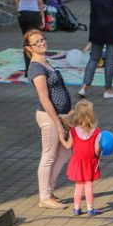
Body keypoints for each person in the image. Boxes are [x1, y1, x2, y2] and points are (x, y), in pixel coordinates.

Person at [25, 30, 72, 209]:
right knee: (49, 155)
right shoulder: (36, 67)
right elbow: (44, 99)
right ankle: (44, 197)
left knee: (64, 153)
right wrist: (58, 124)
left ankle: (49, 191)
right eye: (36, 43)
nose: (41, 44)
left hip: (60, 115)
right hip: (49, 117)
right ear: (29, 48)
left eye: (42, 40)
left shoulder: (45, 61)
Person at [59, 99, 103, 216]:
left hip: (77, 163)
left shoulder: (73, 131)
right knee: (88, 185)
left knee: (78, 186)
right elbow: (96, 150)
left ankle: (76, 208)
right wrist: (99, 156)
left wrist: (61, 138)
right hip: (89, 163)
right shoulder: (96, 132)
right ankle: (90, 209)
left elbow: (68, 146)